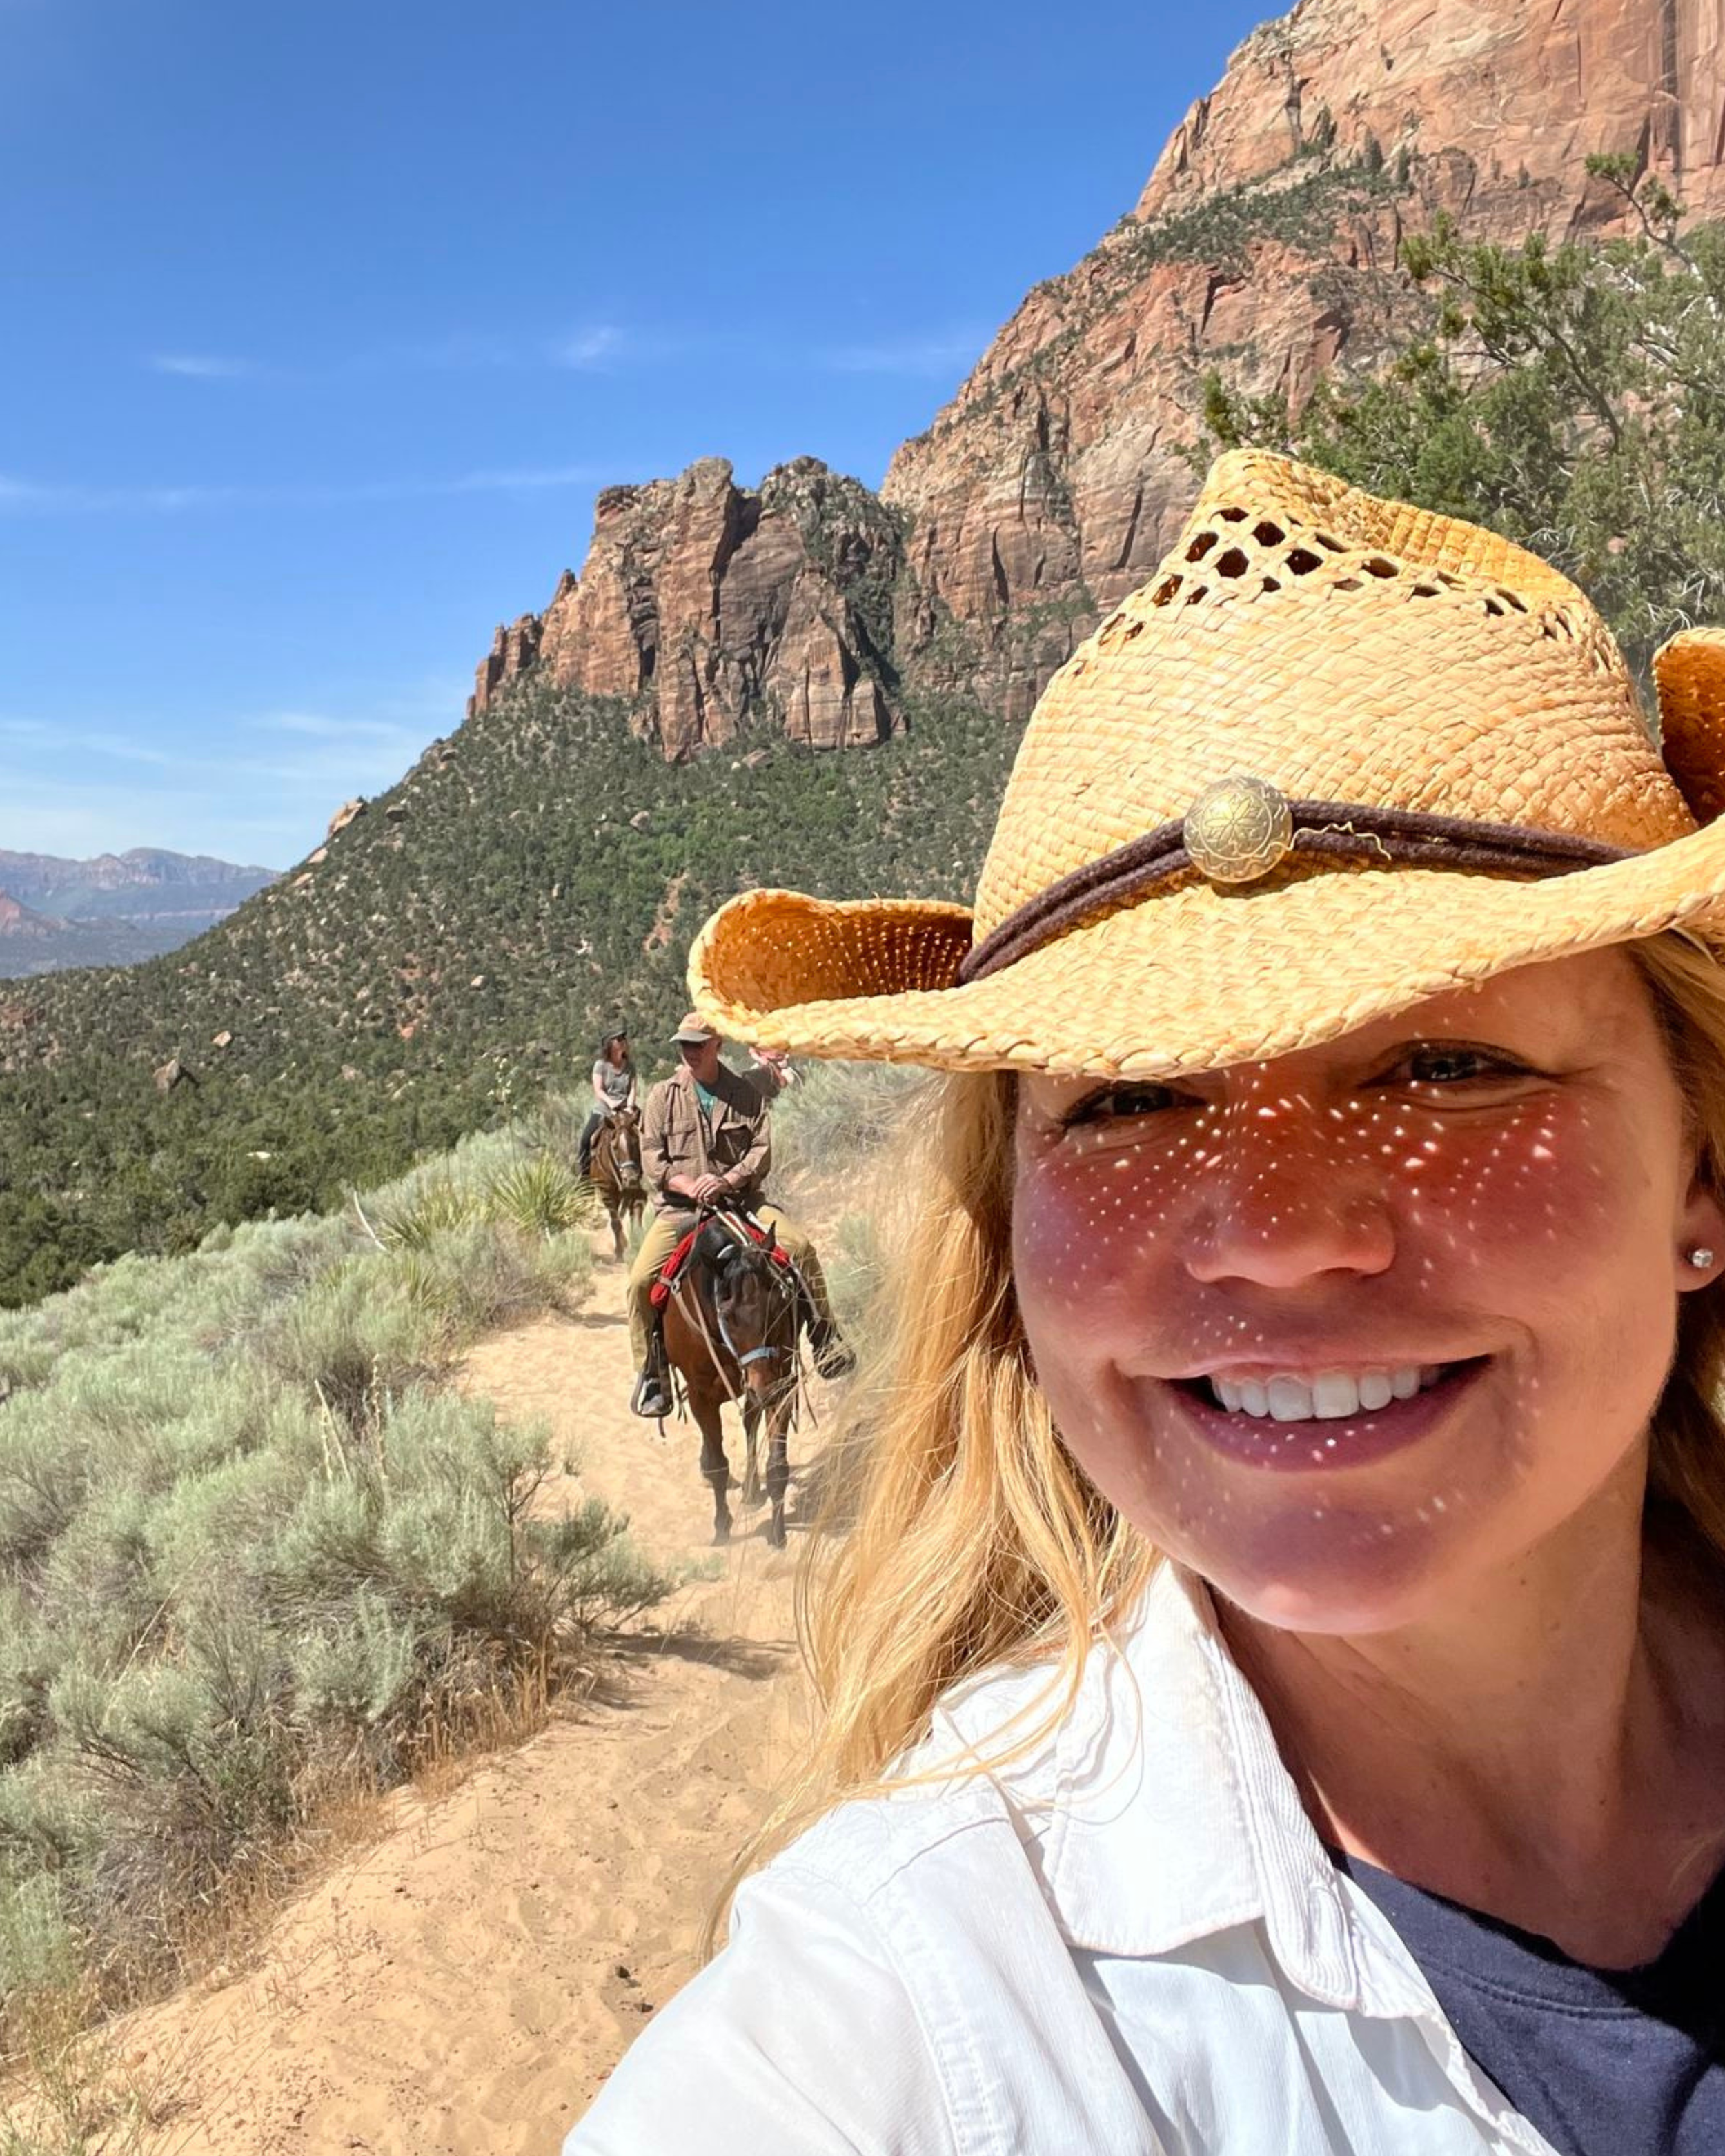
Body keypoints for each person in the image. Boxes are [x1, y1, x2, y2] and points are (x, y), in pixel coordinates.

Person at [571, 450, 1725, 2153]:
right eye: (1124, 1098)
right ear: (1015, 1233)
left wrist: (737, 1186)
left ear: (1697, 1164)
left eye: (1444, 1060)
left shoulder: (730, 1115)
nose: (1268, 1234)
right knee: (668, 1279)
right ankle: (671, 1387)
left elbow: (740, 1159)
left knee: (777, 1257)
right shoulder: (885, 2029)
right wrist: (682, 1192)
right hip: (680, 1208)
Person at [626, 1013, 854, 1418]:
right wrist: (685, 1185)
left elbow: (760, 1151)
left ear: (718, 1046)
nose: (690, 1051)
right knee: (641, 1281)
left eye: (698, 1044)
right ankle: (652, 1372)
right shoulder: (663, 1096)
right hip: (681, 1211)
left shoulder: (745, 1094)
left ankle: (825, 1338)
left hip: (740, 1204)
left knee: (800, 1248)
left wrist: (727, 1180)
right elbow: (652, 1158)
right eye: (685, 1045)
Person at [578, 1028, 636, 1179]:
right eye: (619, 1039)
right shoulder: (600, 1065)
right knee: (586, 1139)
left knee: (647, 1135)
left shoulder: (630, 1066)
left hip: (626, 1110)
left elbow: (632, 1090)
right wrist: (611, 1104)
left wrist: (630, 1107)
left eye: (624, 1038)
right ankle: (584, 1177)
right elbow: (599, 1090)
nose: (623, 1042)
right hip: (604, 1110)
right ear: (610, 1044)